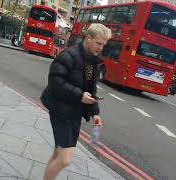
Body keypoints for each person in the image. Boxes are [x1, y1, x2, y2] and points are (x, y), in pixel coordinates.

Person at [40, 23, 112, 180]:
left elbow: (90, 88)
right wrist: (80, 96)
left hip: (74, 112)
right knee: (65, 159)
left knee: (59, 153)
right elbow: (55, 82)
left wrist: (95, 113)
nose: (101, 48)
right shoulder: (69, 55)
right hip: (60, 109)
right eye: (98, 43)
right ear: (88, 38)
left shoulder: (91, 61)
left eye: (103, 45)